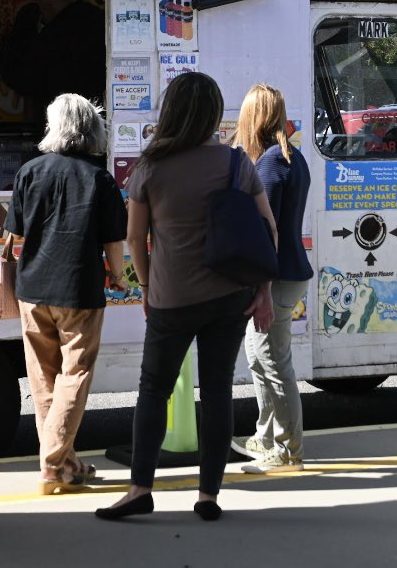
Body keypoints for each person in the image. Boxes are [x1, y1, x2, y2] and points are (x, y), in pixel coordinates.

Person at [95, 72, 276, 523]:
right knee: (217, 392)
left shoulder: (151, 167)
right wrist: (264, 291)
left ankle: (140, 489)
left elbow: (135, 237)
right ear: (214, 112)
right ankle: (209, 496)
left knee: (153, 390)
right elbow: (267, 229)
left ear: (170, 111)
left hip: (172, 298)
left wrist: (146, 285)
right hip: (231, 294)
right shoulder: (237, 163)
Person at [5, 93, 128, 495]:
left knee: (44, 380)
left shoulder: (29, 172)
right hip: (77, 290)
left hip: (32, 289)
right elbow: (113, 242)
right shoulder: (99, 179)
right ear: (92, 129)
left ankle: (66, 461)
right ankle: (53, 464)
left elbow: (15, 235)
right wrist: (120, 278)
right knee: (74, 376)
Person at [230, 83, 313, 474]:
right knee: (260, 355)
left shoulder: (266, 164)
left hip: (275, 278)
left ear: (253, 117)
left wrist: (259, 286)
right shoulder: (292, 157)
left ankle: (287, 450)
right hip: (290, 272)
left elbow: (267, 233)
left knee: (274, 361)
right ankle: (265, 438)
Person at [0, 0, 106, 115]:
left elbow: (28, 78)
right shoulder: (101, 20)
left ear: (48, 8)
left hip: (63, 113)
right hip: (98, 110)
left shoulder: (53, 34)